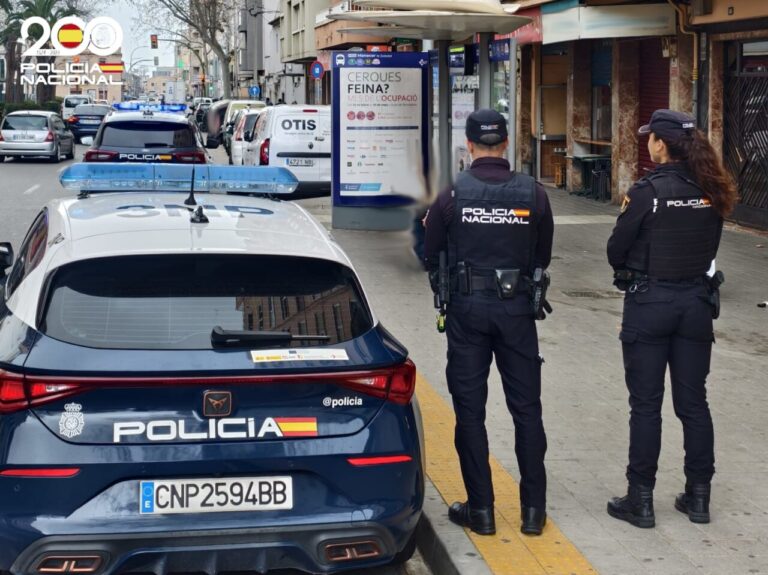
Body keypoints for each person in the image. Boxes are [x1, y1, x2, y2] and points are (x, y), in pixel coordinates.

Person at [424, 109, 554, 536]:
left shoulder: (451, 195)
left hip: (467, 312)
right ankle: (533, 513)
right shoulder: (534, 194)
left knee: (470, 413)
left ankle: (481, 511)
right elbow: (542, 255)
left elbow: (431, 251)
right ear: (505, 144)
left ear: (470, 145)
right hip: (517, 311)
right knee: (527, 411)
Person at [606, 109, 738, 528]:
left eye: (650, 137)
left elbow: (616, 250)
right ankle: (699, 497)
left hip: (650, 305)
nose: (648, 143)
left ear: (661, 144)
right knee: (694, 403)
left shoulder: (647, 191)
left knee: (645, 406)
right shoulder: (712, 188)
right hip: (696, 306)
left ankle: (640, 500)